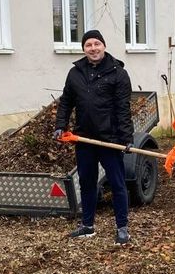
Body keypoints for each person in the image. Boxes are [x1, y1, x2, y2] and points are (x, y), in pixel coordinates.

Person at [53, 29, 134, 244]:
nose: (93, 48)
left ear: (104, 46)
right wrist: (60, 125)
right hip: (84, 139)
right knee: (87, 183)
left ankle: (122, 227)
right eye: (88, 45)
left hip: (110, 139)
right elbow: (66, 102)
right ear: (84, 49)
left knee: (117, 184)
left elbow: (123, 108)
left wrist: (126, 138)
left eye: (97, 43)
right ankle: (87, 225)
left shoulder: (118, 72)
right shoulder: (75, 73)